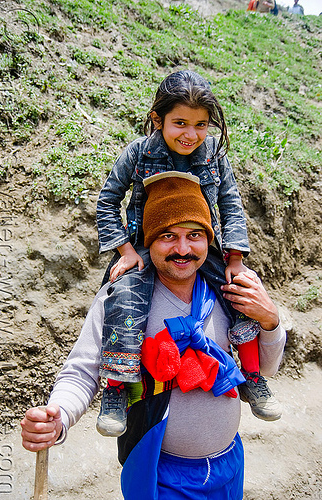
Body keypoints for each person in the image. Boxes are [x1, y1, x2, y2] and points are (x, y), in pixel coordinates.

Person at [21, 172, 286, 500]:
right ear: (149, 239)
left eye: (194, 235)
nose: (183, 248)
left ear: (209, 239)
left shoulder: (230, 291)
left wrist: (271, 320)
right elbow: (81, 372)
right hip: (159, 474)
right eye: (168, 236)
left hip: (229, 463)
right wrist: (56, 417)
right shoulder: (122, 298)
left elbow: (266, 370)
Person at [95, 70, 281, 437]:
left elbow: (230, 204)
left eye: (200, 125)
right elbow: (107, 202)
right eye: (180, 122)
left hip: (200, 248)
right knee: (124, 297)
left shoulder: (214, 155)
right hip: (148, 248)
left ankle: (252, 377)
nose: (190, 134)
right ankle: (115, 388)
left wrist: (235, 259)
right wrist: (127, 250)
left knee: (238, 294)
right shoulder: (138, 153)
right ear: (157, 119)